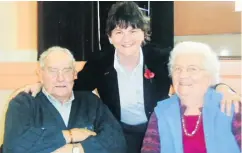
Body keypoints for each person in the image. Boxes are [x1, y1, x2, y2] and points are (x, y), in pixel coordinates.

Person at [13, 2, 241, 153]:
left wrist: (221, 87)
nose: (126, 38)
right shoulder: (100, 62)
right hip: (120, 131)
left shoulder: (160, 58)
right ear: (110, 37)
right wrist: (40, 83)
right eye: (119, 32)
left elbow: (190, 78)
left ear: (144, 34)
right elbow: (71, 84)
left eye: (133, 31)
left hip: (157, 126)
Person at [3, 46, 126, 153]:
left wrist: (75, 150)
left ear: (74, 74)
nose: (60, 78)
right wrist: (70, 135)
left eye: (66, 71)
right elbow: (14, 147)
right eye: (53, 71)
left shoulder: (91, 102)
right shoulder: (23, 103)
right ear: (40, 74)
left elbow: (117, 142)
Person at [141, 41, 241, 153]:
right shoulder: (162, 111)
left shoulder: (229, 105)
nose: (183, 75)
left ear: (209, 75)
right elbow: (149, 149)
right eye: (177, 69)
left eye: (192, 69)